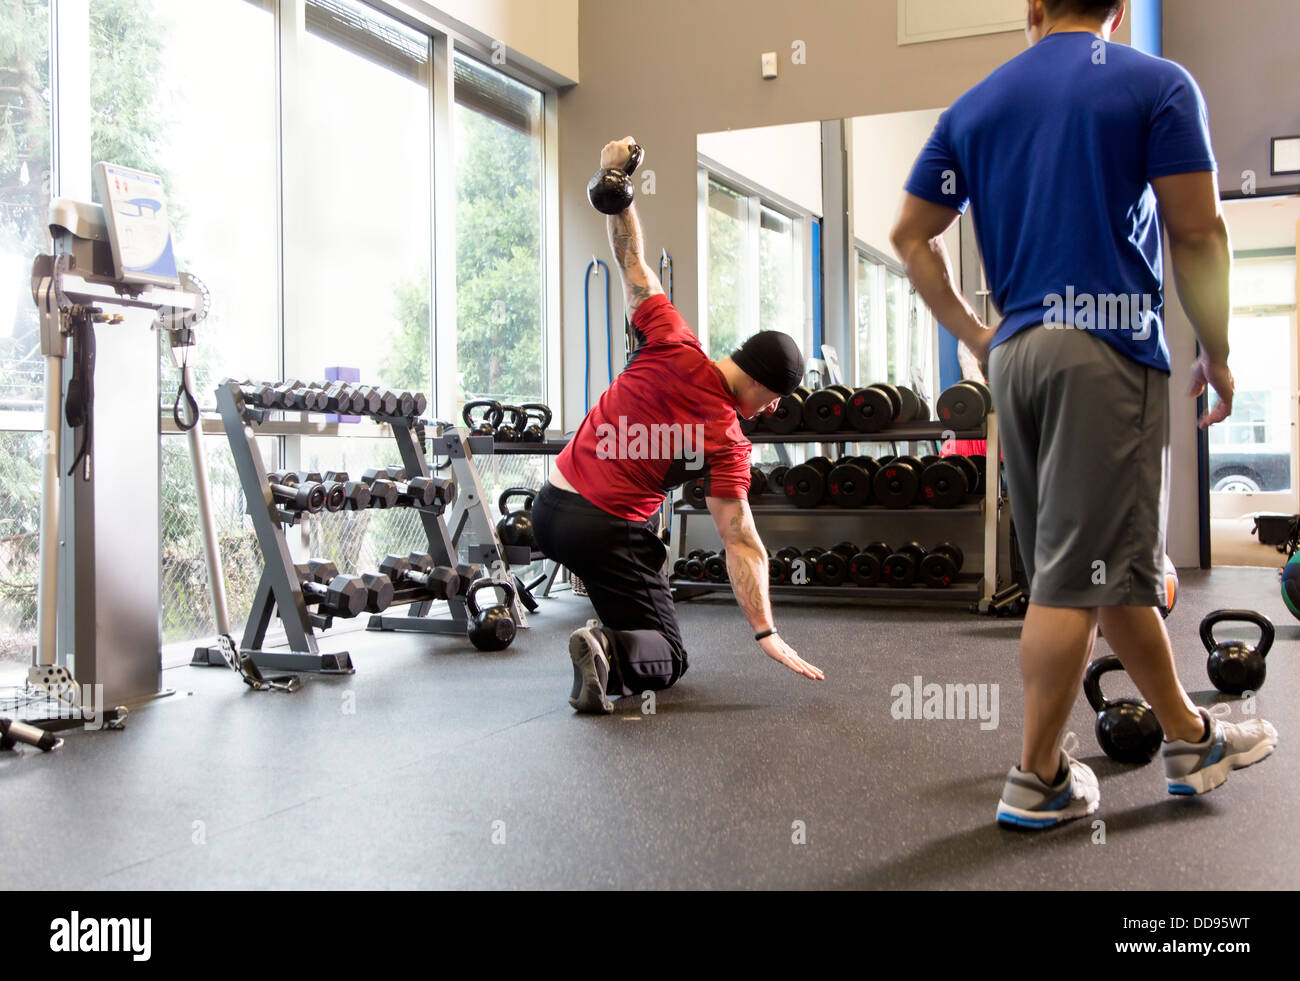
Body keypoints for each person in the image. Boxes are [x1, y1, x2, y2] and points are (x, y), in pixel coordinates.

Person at [891, 0, 1277, 828]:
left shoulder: (976, 104)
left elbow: (910, 237)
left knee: (1099, 566)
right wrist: (1217, 345)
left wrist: (980, 336)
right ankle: (1037, 776)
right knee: (1073, 578)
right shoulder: (1155, 83)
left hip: (1020, 357)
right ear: (1119, 9)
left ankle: (1190, 735)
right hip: (1102, 348)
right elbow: (1199, 230)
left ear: (1032, 5)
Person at [532, 137, 825, 714]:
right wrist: (766, 631)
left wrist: (615, 182)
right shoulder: (728, 439)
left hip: (549, 509)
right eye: (773, 401)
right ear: (764, 384)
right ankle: (606, 649)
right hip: (605, 528)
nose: (768, 411)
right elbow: (741, 541)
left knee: (641, 580)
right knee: (667, 656)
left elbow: (631, 260)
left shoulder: (669, 335)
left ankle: (611, 630)